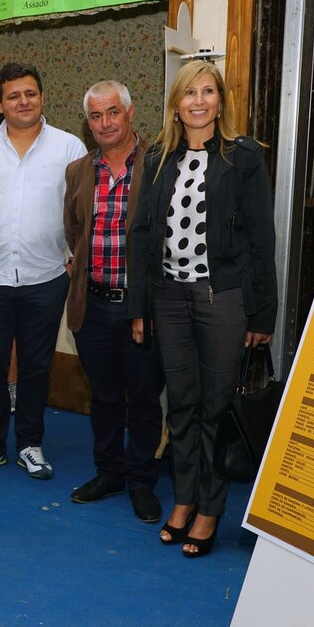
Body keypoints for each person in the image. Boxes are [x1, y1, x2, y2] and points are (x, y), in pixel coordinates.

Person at [128, 60, 277, 557]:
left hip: (224, 300)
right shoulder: (157, 157)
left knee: (216, 407)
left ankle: (210, 508)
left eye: (207, 91)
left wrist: (263, 314)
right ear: (176, 102)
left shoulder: (244, 157)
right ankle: (184, 499)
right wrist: (139, 305)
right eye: (189, 92)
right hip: (169, 298)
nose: (198, 101)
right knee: (182, 406)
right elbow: (143, 235)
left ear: (220, 101)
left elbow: (262, 239)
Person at [0, 62, 86, 480]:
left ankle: (30, 444)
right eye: (13, 96)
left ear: (42, 97)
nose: (23, 101)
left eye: (30, 93)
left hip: (46, 278)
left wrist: (74, 257)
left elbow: (82, 209)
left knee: (35, 368)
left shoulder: (68, 147)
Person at [63, 80, 164, 522]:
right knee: (103, 397)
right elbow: (74, 230)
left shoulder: (160, 163)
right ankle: (109, 473)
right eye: (96, 116)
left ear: (130, 112)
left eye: (112, 112)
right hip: (94, 305)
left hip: (140, 307)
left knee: (143, 398)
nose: (105, 123)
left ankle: (141, 479)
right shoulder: (78, 171)